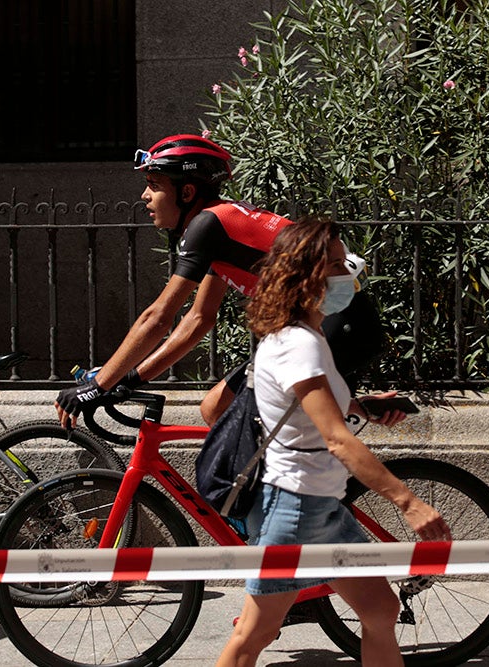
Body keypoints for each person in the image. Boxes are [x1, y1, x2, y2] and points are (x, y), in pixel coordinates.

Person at [216, 218, 451, 667]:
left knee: (381, 609)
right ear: (311, 277)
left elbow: (311, 407)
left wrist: (361, 404)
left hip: (321, 506)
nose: (350, 275)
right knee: (254, 633)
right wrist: (409, 503)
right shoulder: (299, 344)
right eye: (340, 265)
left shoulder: (306, 337)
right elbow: (337, 439)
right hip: (295, 507)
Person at [54, 133, 385, 428]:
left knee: (258, 436)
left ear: (186, 191)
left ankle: (303, 488)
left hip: (341, 327)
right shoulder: (221, 227)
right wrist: (131, 378)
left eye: (154, 185)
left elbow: (158, 317)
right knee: (216, 409)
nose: (144, 196)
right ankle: (353, 411)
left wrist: (97, 387)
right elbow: (198, 320)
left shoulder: (208, 225)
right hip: (329, 327)